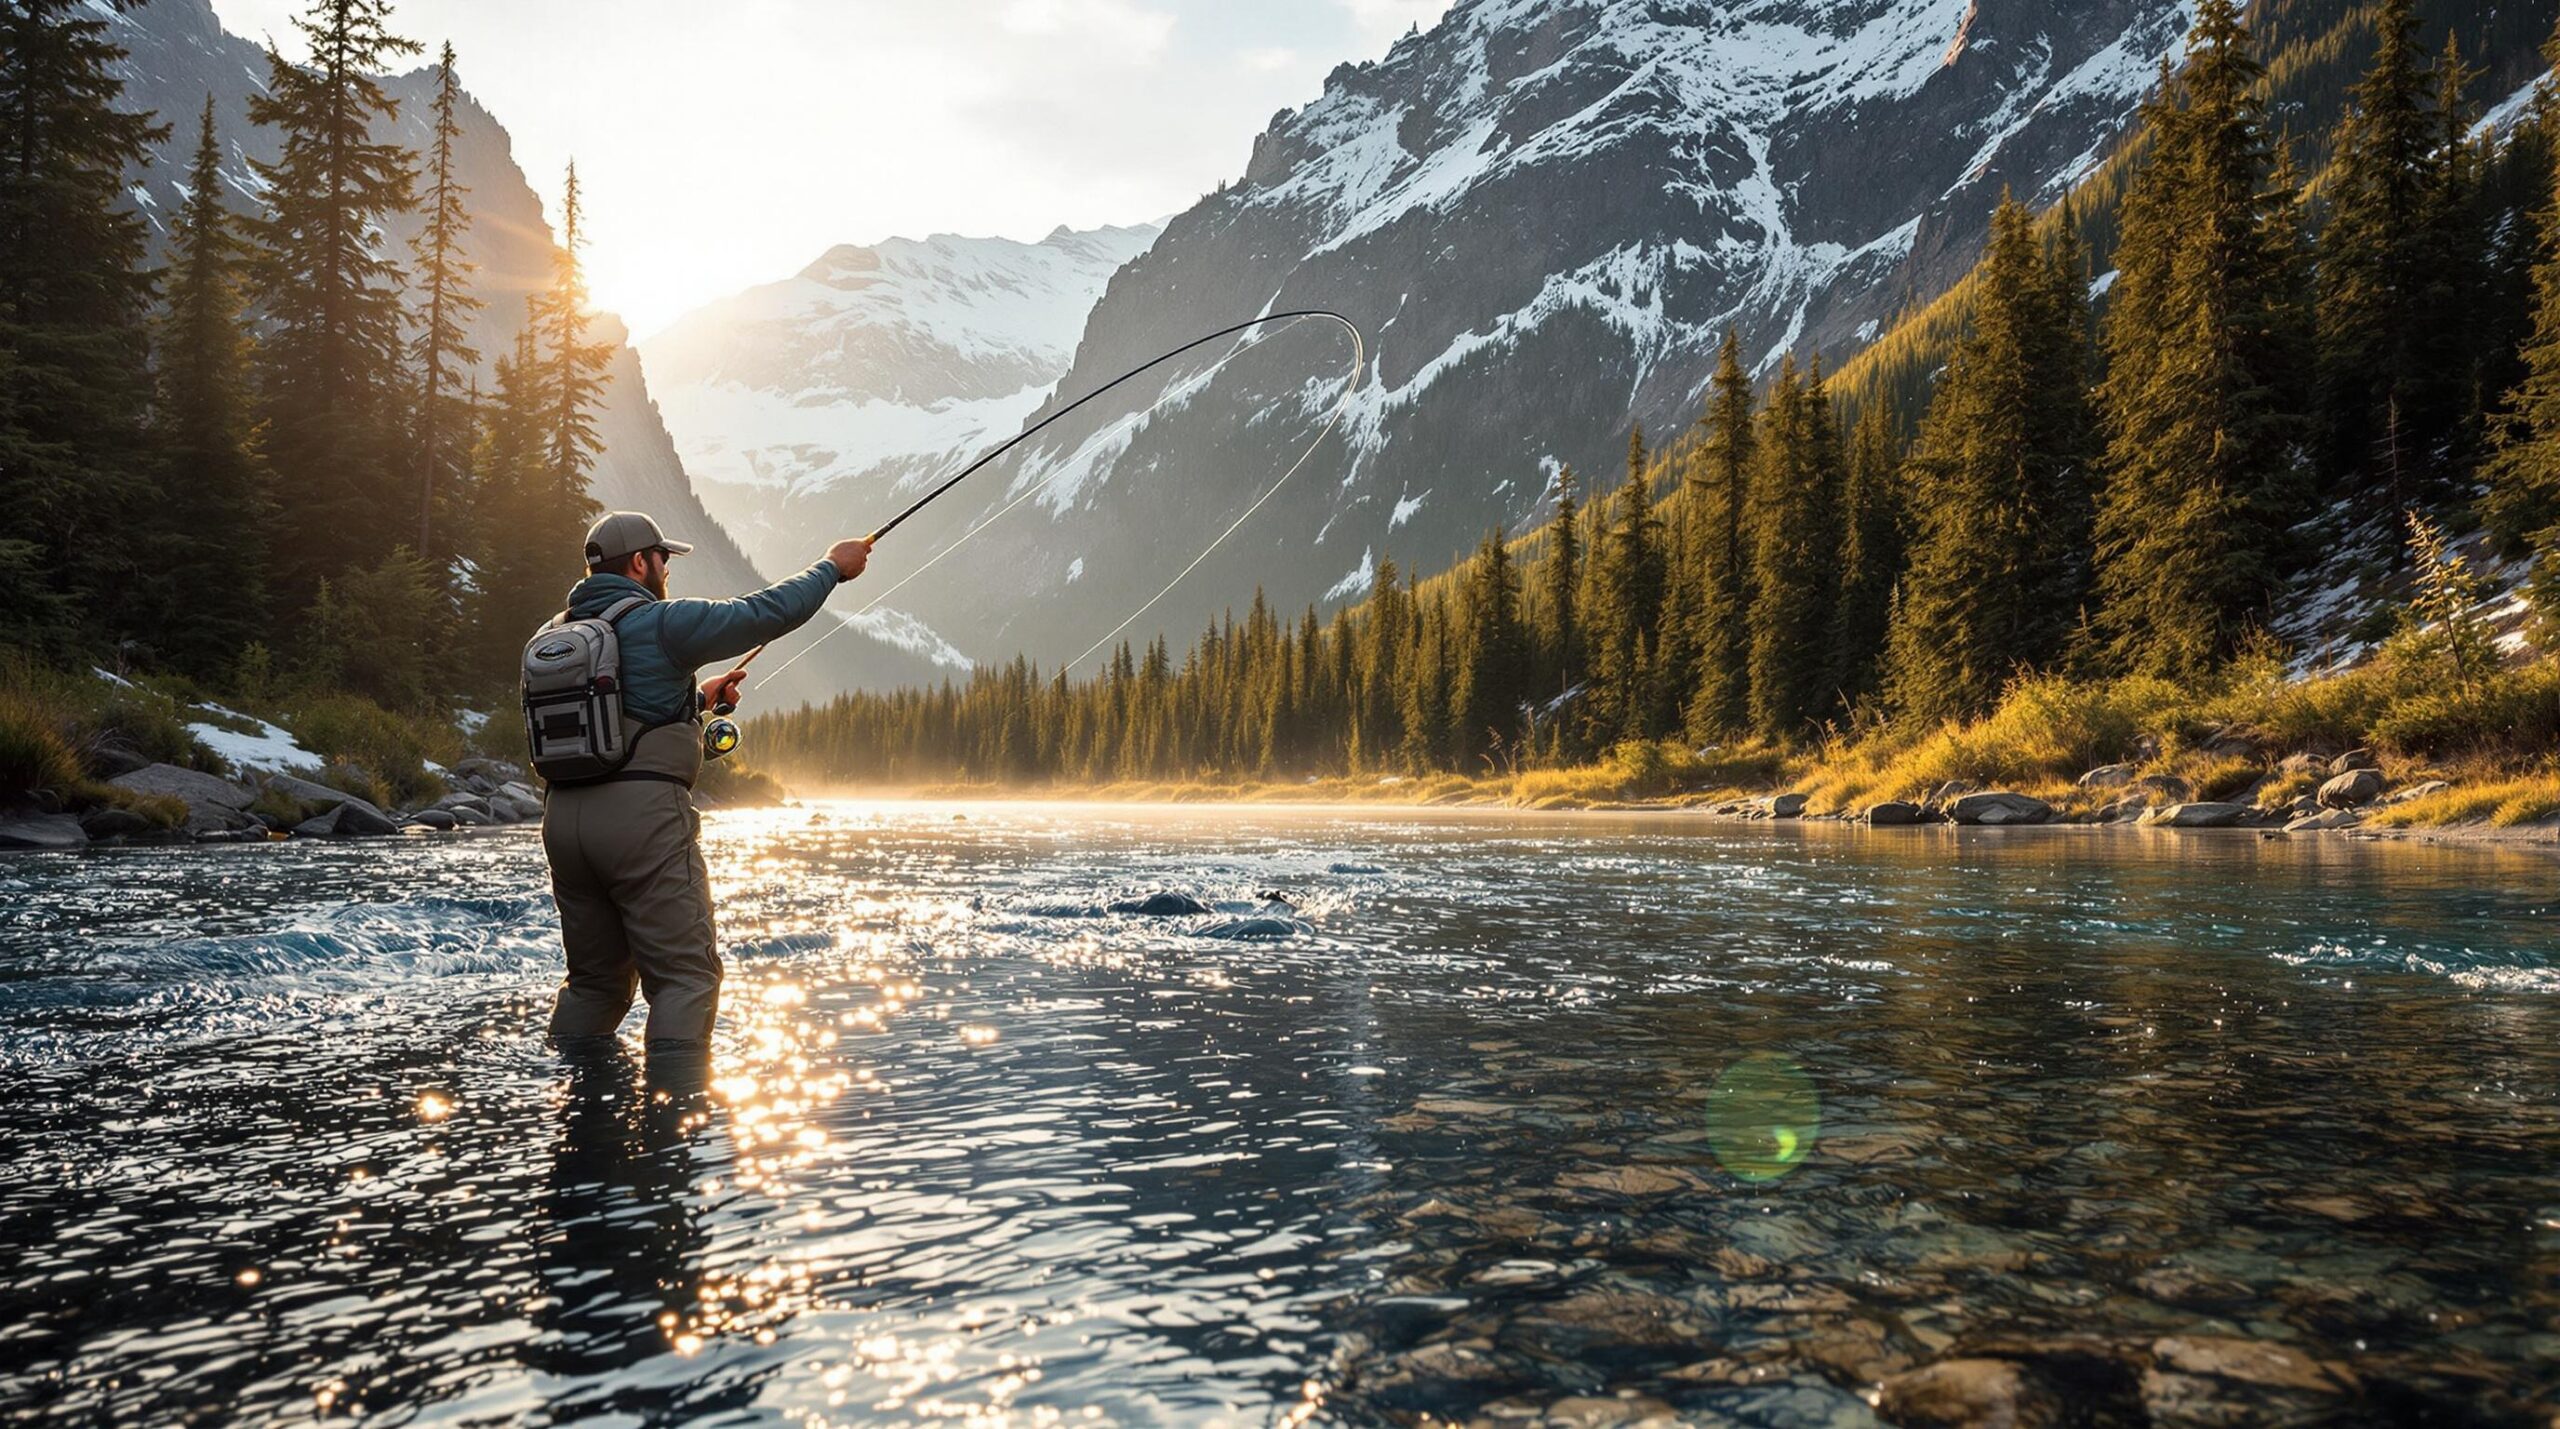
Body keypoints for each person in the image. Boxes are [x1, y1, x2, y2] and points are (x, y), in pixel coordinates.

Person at [539, 510, 870, 1059]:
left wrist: (696, 700)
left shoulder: (555, 634)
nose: (667, 570)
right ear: (641, 563)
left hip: (563, 825)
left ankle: (575, 1111)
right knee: (686, 979)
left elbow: (610, 717)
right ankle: (672, 1128)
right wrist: (833, 567)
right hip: (641, 821)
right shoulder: (663, 622)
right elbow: (765, 613)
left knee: (595, 984)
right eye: (662, 559)